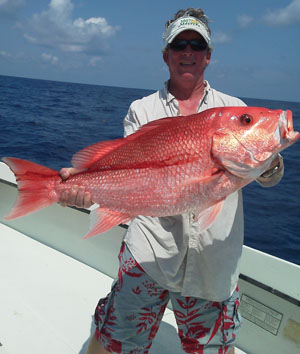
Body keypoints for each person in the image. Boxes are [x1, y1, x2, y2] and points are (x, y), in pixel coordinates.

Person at [60, 8, 284, 354]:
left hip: (213, 267)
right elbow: (127, 177)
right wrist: (83, 188)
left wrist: (269, 162)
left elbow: (270, 177)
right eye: (180, 45)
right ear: (166, 55)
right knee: (112, 344)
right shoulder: (142, 110)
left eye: (197, 45)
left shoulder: (233, 107)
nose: (188, 53)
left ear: (208, 56)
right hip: (149, 255)